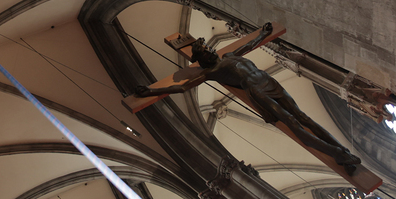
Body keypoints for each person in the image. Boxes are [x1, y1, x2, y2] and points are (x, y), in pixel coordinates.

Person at [136, 23, 361, 173]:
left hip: (268, 81)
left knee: (303, 117)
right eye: (205, 51)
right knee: (292, 123)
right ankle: (337, 154)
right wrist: (152, 91)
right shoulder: (211, 72)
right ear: (201, 59)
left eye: (208, 47)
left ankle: (344, 152)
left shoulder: (229, 54)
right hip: (256, 90)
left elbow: (249, 44)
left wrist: (263, 33)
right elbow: (182, 88)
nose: (210, 50)